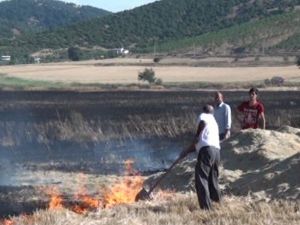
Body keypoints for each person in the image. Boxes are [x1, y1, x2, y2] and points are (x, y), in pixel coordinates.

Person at [180, 104, 221, 210]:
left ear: (204, 111)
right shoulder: (214, 122)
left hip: (207, 151)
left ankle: (206, 209)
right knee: (213, 179)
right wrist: (187, 151)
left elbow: (202, 124)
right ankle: (217, 203)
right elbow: (202, 142)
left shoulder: (204, 116)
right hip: (216, 152)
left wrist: (197, 135)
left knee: (201, 178)